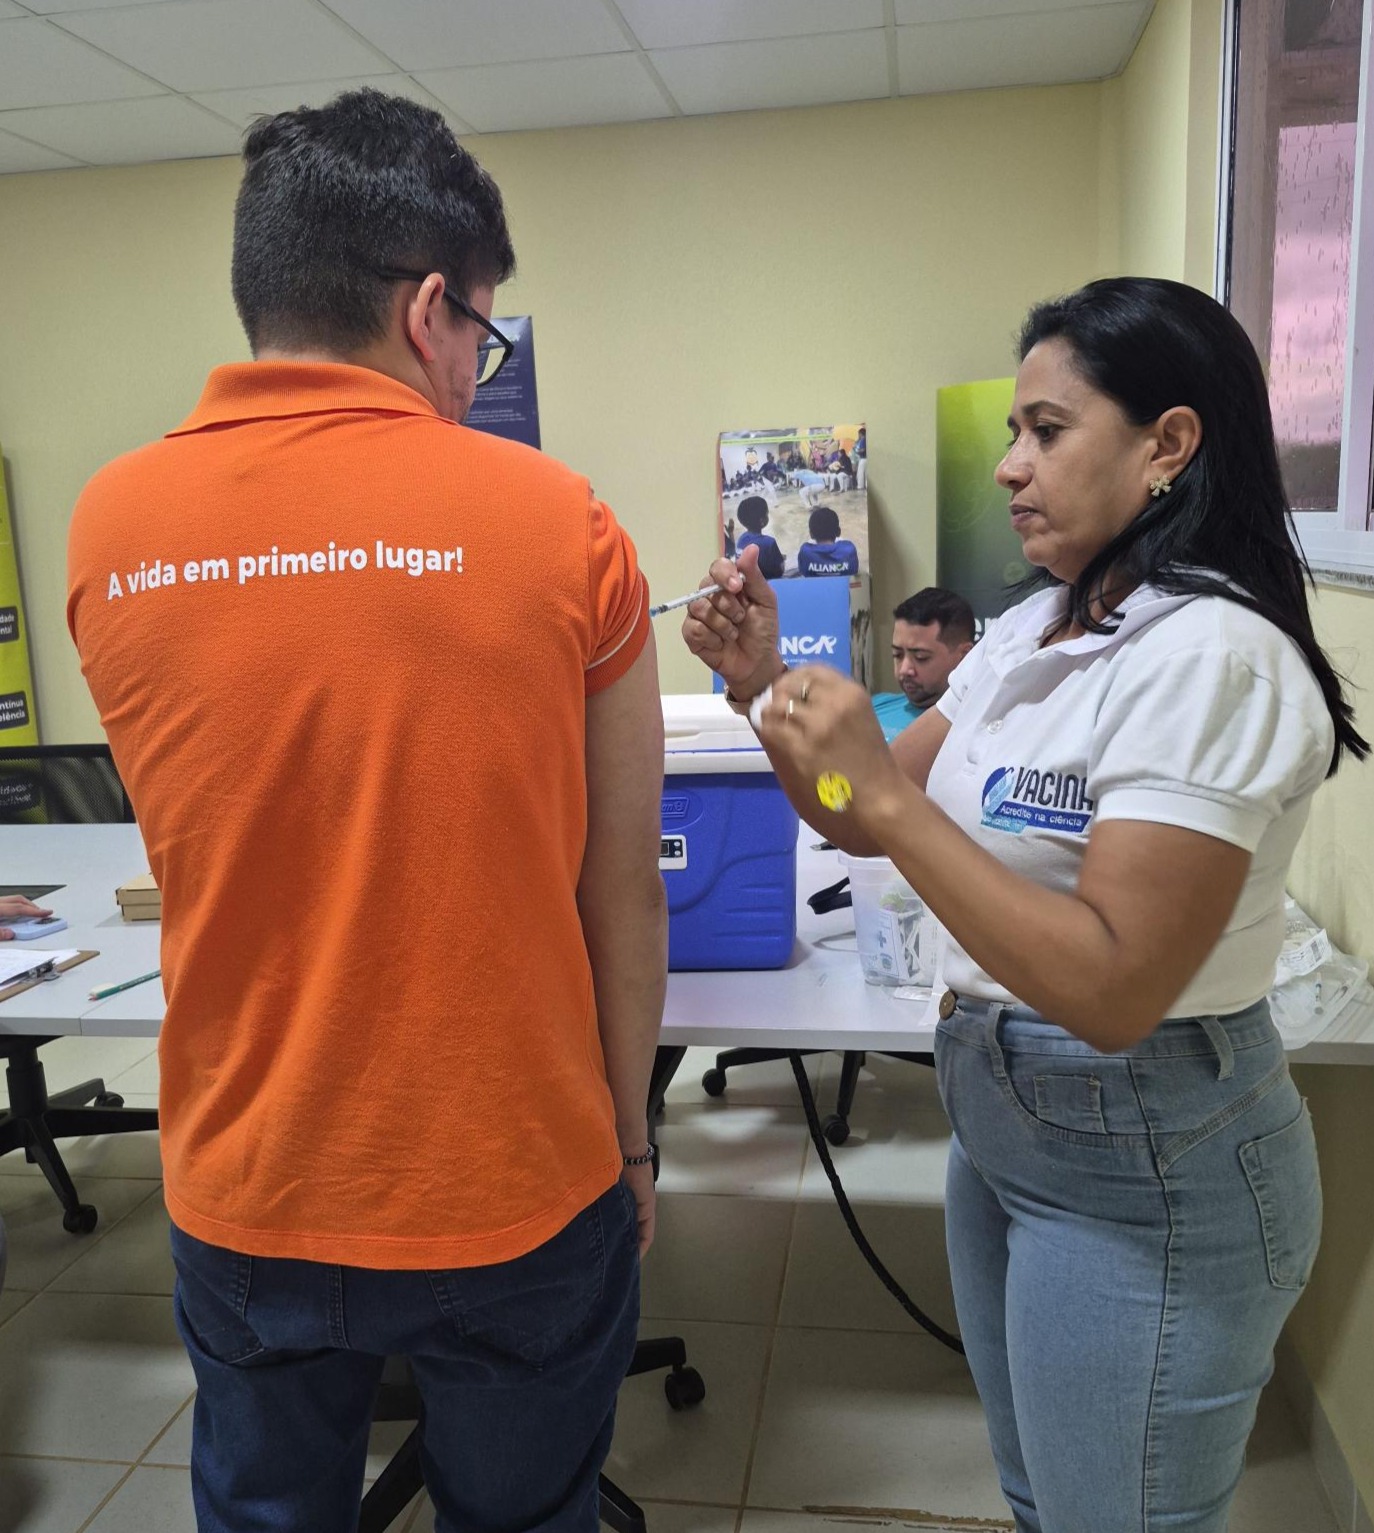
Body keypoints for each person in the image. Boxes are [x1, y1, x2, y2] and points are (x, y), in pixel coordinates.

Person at [66, 89, 667, 1533]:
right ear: (426, 309)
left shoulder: (108, 528)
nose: (472, 370)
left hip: (246, 1178)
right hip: (514, 1176)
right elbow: (620, 887)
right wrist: (634, 1144)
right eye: (479, 337)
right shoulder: (565, 522)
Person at [683, 276, 1367, 1533]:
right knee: (1039, 1499)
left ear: (1167, 444)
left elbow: (1109, 989)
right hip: (1002, 1122)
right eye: (1012, 433)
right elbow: (853, 809)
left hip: (1144, 1154)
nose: (1008, 466)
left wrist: (885, 803)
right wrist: (760, 682)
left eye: (1046, 431)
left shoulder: (1210, 657)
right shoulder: (1033, 630)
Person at [872, 587, 977, 741]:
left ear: (964, 656)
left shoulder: (974, 730)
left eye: (921, 657)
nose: (904, 669)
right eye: (897, 654)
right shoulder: (872, 707)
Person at [797, 505, 860, 576]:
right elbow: (854, 571)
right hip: (842, 583)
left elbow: (802, 571)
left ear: (811, 534)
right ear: (838, 531)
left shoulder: (806, 551)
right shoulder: (849, 549)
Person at [734, 495, 786, 581]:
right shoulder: (769, 542)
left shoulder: (741, 539)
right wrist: (780, 558)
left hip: (747, 582)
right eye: (767, 513)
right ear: (762, 521)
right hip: (767, 584)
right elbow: (780, 570)